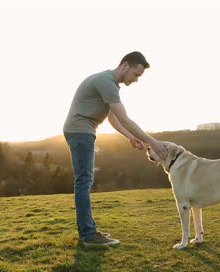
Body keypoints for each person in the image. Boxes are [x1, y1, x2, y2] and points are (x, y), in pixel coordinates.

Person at [63, 51, 168, 246]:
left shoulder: (109, 84)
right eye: (136, 75)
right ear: (125, 66)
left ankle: (88, 230)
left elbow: (113, 118)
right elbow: (126, 119)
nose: (136, 81)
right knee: (84, 181)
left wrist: (131, 137)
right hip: (80, 131)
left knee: (84, 180)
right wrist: (153, 142)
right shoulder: (106, 82)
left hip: (82, 130)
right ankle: (88, 234)